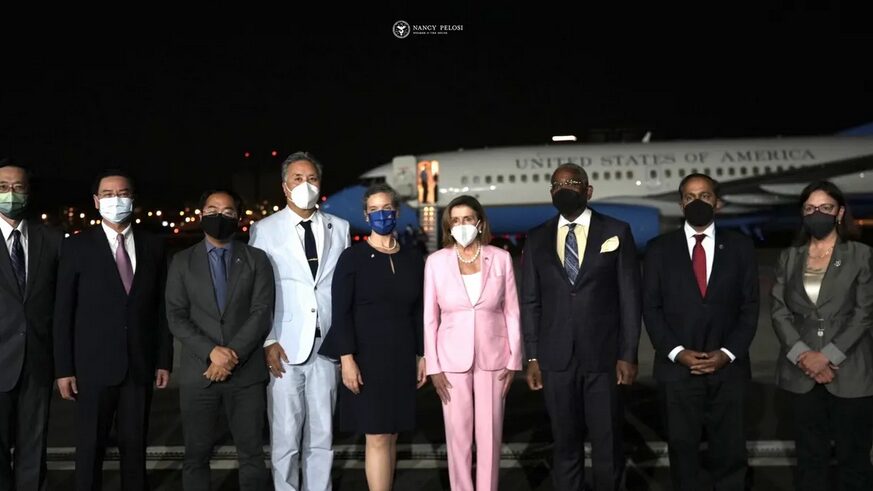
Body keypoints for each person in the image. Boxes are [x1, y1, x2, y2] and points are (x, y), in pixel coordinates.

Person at [521, 163, 641, 491]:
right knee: (564, 443)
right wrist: (532, 356)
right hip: (555, 359)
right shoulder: (536, 238)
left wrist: (628, 354)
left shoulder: (616, 231)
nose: (564, 189)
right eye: (557, 184)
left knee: (608, 443)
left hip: (604, 358)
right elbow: (530, 302)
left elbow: (630, 299)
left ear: (588, 191)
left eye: (572, 182)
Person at [53, 169, 173, 490]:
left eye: (122, 193)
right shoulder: (76, 246)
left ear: (133, 199)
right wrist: (64, 369)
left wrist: (163, 360)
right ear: (96, 201)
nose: (115, 200)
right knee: (89, 449)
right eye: (107, 194)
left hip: (139, 366)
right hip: (91, 368)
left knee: (135, 449)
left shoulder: (153, 245)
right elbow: (63, 312)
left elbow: (161, 309)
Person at [643, 173, 759, 490]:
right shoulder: (658, 249)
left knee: (731, 451)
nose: (697, 202)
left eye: (705, 196)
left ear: (717, 202)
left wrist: (728, 353)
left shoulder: (740, 247)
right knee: (683, 453)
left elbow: (750, 307)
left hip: (729, 370)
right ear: (681, 203)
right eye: (690, 197)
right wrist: (677, 353)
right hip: (677, 372)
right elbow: (651, 309)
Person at [249, 152, 350, 491]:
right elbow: (258, 292)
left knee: (322, 436)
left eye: (311, 178)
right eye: (297, 178)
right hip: (284, 346)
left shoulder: (340, 228)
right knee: (286, 436)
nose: (305, 184)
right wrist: (267, 340)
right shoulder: (265, 229)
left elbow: (341, 288)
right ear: (284, 186)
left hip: (328, 345)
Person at [319, 183, 427, 491]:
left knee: (393, 434)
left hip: (402, 355)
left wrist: (422, 354)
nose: (382, 215)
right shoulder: (352, 258)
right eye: (375, 210)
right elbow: (341, 312)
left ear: (397, 212)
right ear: (366, 216)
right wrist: (347, 358)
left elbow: (418, 311)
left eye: (387, 209)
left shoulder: (412, 258)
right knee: (377, 435)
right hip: (367, 358)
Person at [166, 189, 274, 490]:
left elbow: (261, 311)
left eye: (228, 212)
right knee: (196, 455)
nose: (219, 216)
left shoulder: (256, 259)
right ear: (201, 214)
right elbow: (176, 316)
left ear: (238, 218)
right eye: (212, 210)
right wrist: (211, 352)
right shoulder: (182, 261)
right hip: (200, 374)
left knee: (252, 454)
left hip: (246, 374)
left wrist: (230, 355)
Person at [771, 181, 873, 491]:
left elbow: (864, 313)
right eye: (810, 208)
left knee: (853, 461)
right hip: (801, 373)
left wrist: (827, 356)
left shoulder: (861, 255)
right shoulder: (790, 257)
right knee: (809, 460)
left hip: (849, 371)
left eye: (825, 208)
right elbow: (779, 311)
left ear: (839, 212)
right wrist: (803, 355)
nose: (817, 214)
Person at [423, 195, 522, 491]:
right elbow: (430, 318)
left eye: (467, 218)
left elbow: (512, 311)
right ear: (448, 226)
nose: (462, 224)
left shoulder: (500, 258)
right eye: (455, 220)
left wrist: (514, 359)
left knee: (490, 437)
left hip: (495, 358)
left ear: (479, 223)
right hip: (451, 361)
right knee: (458, 438)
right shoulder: (436, 262)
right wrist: (433, 366)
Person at [0, 160, 62, 491]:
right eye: (3, 187)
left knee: (34, 449)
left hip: (37, 361)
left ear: (28, 191)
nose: (11, 193)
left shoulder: (52, 239)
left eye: (18, 187)